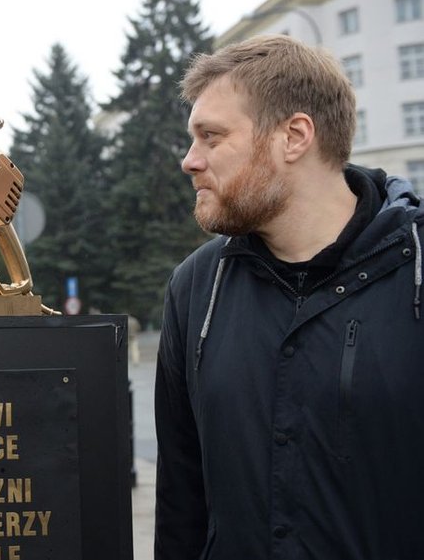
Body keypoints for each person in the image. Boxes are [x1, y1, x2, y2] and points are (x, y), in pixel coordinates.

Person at [155, 34, 424, 560]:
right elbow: (181, 505)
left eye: (211, 137)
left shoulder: (416, 268)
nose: (190, 160)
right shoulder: (195, 287)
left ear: (294, 136)